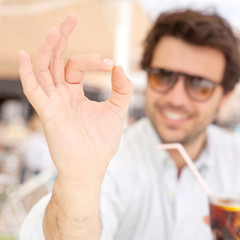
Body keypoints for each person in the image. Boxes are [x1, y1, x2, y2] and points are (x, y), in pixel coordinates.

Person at [18, 9, 240, 240]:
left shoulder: (236, 163)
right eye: (163, 76)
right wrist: (79, 182)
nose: (176, 98)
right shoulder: (111, 157)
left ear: (225, 95)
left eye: (200, 85)